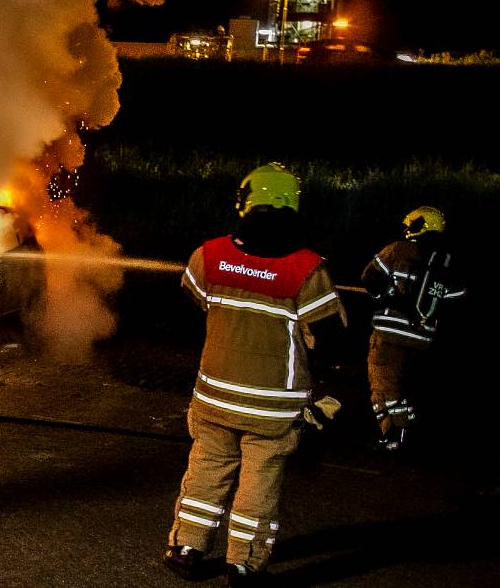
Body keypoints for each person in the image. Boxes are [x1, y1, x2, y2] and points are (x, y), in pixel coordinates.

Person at [163, 162, 346, 586]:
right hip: (274, 409)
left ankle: (186, 547)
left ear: (246, 199)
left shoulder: (208, 255)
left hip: (213, 397)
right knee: (259, 482)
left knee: (207, 469)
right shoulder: (307, 269)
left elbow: (192, 306)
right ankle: (243, 563)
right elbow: (327, 338)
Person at [360, 206, 466, 452]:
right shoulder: (446, 262)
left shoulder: (398, 249)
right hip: (424, 336)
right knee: (409, 386)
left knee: (383, 386)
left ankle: (393, 440)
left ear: (419, 225)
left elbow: (369, 278)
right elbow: (457, 297)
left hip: (389, 332)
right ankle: (412, 435)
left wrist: (387, 296)